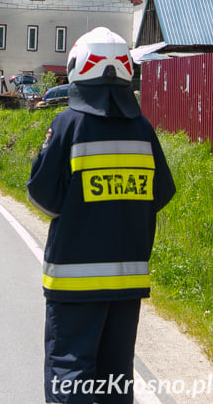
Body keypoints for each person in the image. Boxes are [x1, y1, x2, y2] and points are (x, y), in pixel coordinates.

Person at [27, 27, 176, 404]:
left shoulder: (67, 125)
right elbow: (161, 194)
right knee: (115, 377)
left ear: (77, 69)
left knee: (71, 371)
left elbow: (42, 195)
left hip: (74, 282)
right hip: (127, 280)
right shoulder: (142, 130)